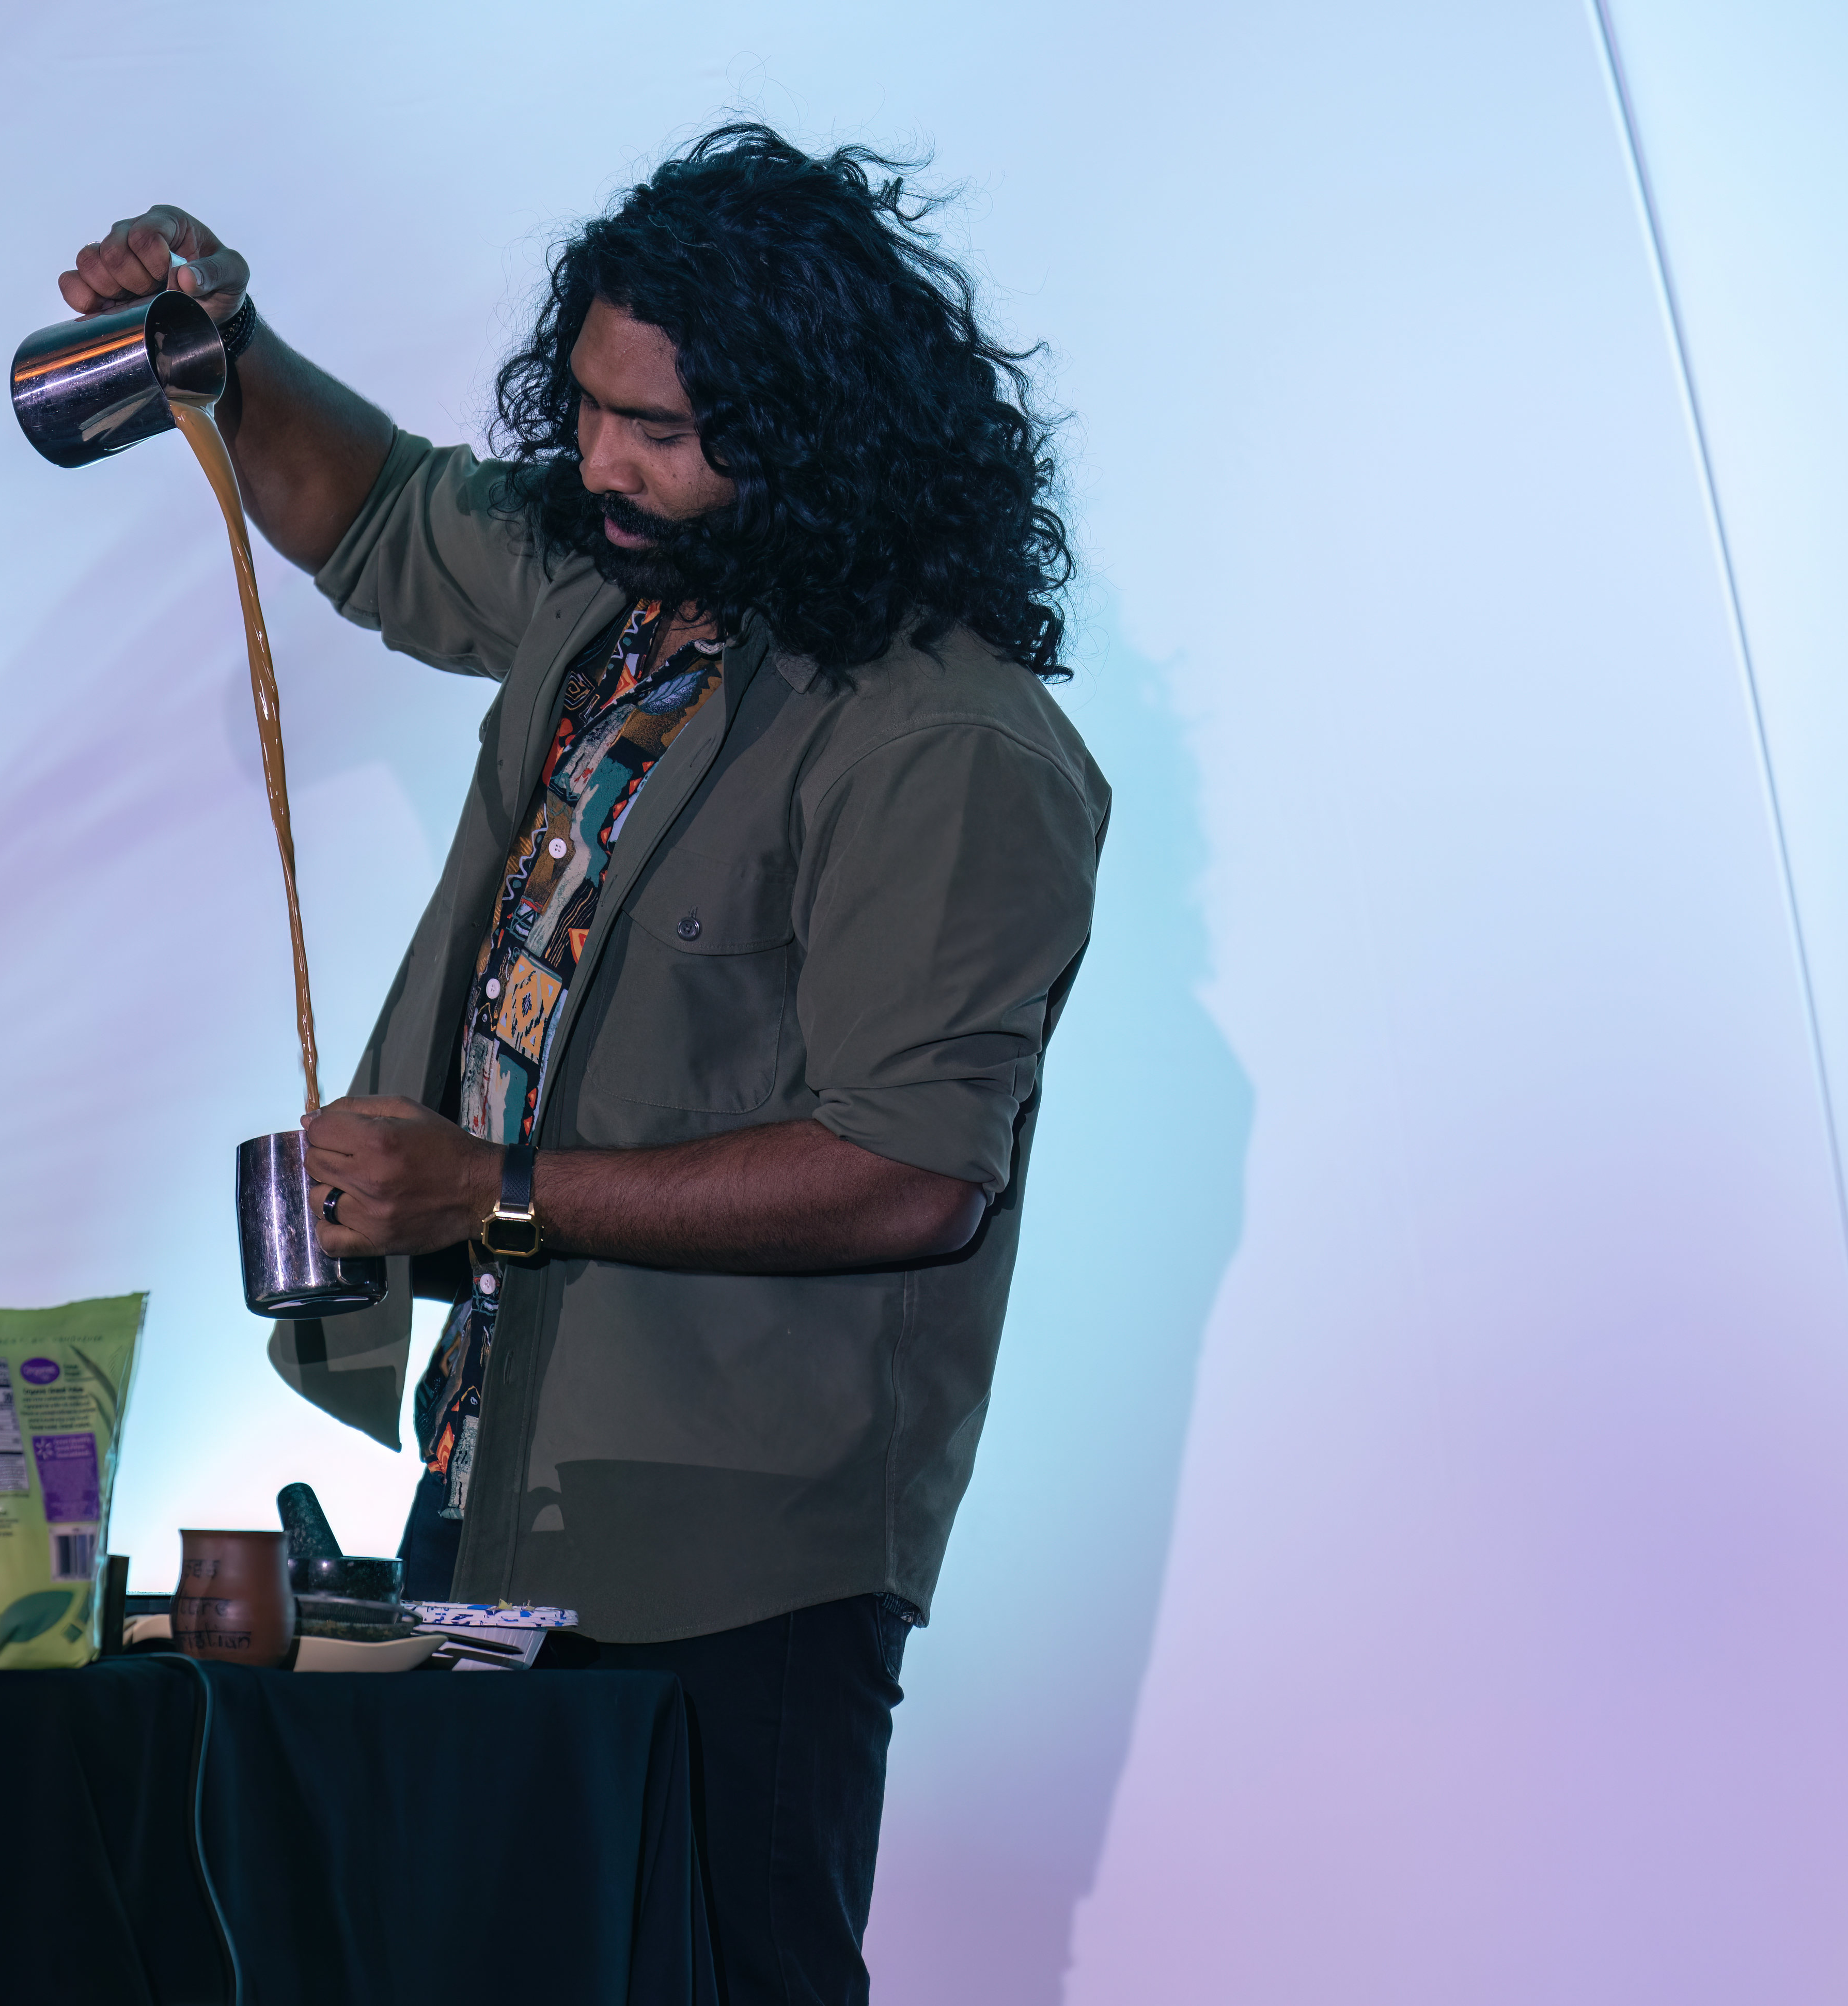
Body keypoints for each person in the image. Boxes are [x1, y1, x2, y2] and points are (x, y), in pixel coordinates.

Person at [62, 124, 1108, 2003]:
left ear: (819, 435)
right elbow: (375, 513)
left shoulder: (952, 742)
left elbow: (909, 1168)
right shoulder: (608, 602)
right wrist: (228, 345)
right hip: (498, 1484)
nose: (609, 467)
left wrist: (494, 1194)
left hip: (735, 1566)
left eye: (667, 433)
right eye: (595, 408)